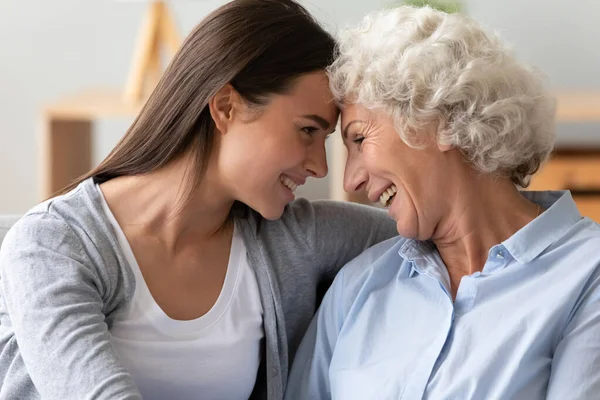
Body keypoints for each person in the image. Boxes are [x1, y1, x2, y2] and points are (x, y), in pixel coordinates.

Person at [0, 1, 398, 399]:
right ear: (226, 107)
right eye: (307, 130)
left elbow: (440, 227)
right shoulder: (51, 248)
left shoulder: (293, 238)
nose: (320, 167)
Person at [285, 5, 600, 400]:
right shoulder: (358, 286)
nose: (351, 179)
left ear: (443, 120)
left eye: (360, 139)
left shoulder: (587, 275)